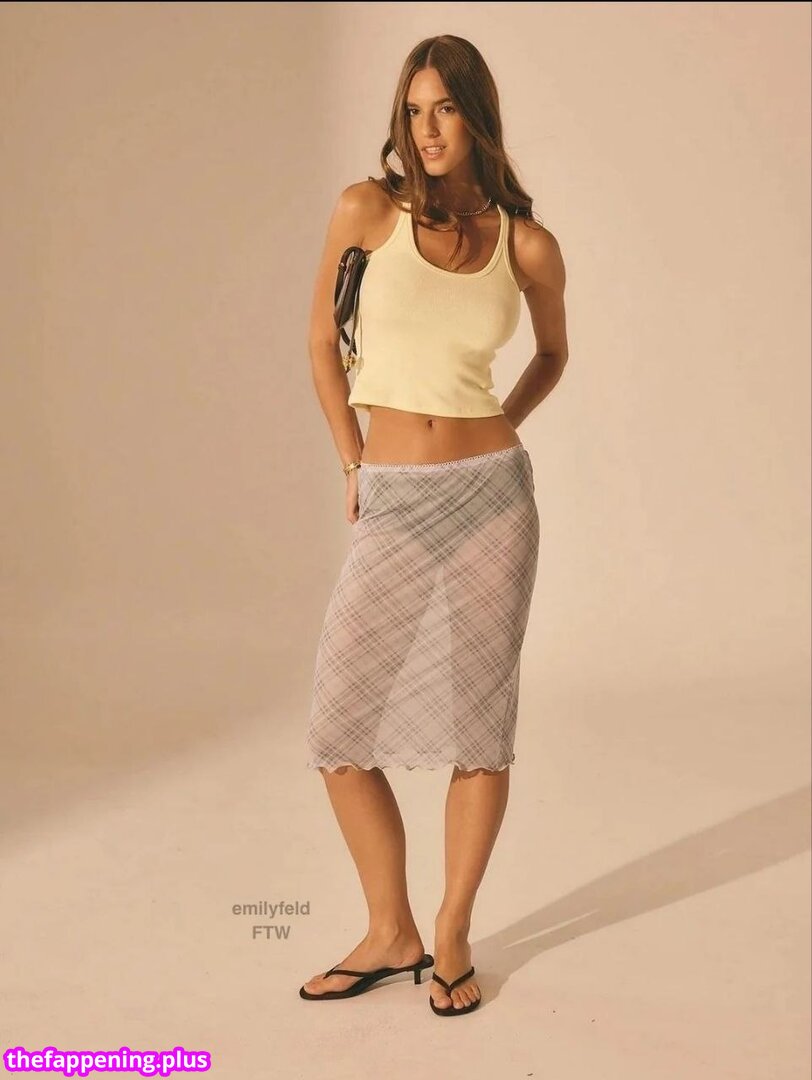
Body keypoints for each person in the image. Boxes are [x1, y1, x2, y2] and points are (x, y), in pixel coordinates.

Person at [299, 34, 568, 1016]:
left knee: (479, 726)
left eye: (444, 108)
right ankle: (390, 929)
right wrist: (351, 460)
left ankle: (449, 932)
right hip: (396, 498)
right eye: (413, 111)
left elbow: (552, 354)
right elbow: (319, 341)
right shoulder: (365, 211)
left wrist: (502, 426)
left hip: (492, 498)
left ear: (476, 116)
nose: (426, 128)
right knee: (338, 724)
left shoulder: (525, 244)